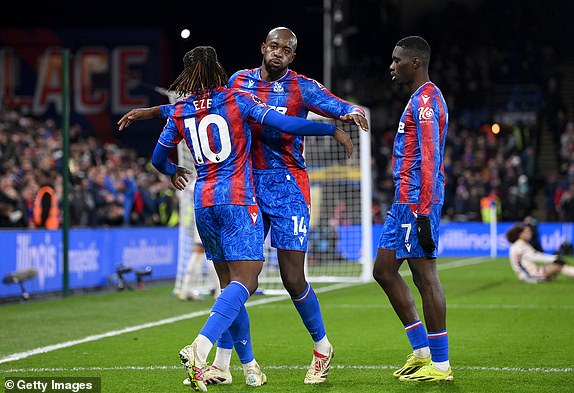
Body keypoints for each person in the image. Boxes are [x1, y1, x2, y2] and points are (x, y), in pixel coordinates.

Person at [118, 26, 369, 385]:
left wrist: (349, 113)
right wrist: (150, 112)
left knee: (292, 278)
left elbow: (335, 104)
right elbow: (202, 100)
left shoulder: (302, 86)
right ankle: (224, 363)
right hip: (247, 188)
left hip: (287, 188)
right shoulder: (239, 83)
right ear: (263, 47)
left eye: (287, 48)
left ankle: (322, 348)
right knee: (236, 281)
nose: (279, 51)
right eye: (274, 45)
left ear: (293, 56)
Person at [371, 36, 453, 382]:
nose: (392, 66)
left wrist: (422, 213)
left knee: (424, 275)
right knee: (384, 270)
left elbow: (431, 158)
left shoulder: (426, 102)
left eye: (397, 60)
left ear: (415, 63)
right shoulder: (418, 99)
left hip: (418, 201)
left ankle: (441, 364)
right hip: (403, 201)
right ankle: (421, 352)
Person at [505, 223, 574, 283]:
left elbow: (535, 256)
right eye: (527, 232)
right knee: (558, 266)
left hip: (527, 274)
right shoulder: (520, 246)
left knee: (557, 265)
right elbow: (534, 256)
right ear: (520, 234)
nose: (530, 234)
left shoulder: (519, 244)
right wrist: (554, 259)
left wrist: (554, 259)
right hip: (531, 275)